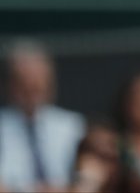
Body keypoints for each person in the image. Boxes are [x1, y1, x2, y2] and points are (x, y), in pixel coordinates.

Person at [0, 40, 86, 192]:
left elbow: (85, 177)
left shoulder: (73, 125)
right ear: (9, 84)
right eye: (23, 81)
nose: (31, 88)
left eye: (37, 81)